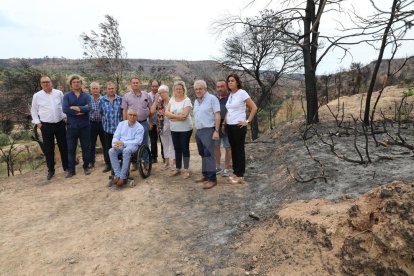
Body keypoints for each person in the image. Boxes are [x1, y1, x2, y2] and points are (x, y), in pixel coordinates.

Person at [31, 75, 68, 180]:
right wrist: (38, 123)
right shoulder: (37, 96)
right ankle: (51, 170)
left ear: (51, 82)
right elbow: (33, 111)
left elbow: (64, 106)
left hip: (60, 124)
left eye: (47, 81)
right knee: (48, 149)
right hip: (46, 125)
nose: (46, 84)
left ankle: (67, 168)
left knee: (63, 147)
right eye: (43, 82)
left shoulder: (59, 93)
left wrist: (65, 117)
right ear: (41, 84)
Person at [224, 73, 257, 184]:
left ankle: (240, 175)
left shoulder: (242, 93)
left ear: (237, 82)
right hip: (230, 126)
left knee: (239, 150)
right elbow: (230, 110)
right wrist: (225, 123)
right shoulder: (230, 95)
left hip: (239, 126)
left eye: (232, 80)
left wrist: (247, 121)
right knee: (233, 149)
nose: (230, 83)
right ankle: (235, 171)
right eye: (228, 81)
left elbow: (254, 107)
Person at [62, 75, 92, 178]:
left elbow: (89, 108)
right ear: (71, 84)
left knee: (86, 148)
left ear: (81, 83)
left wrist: (76, 108)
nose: (76, 83)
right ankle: (71, 170)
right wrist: (80, 111)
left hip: (85, 126)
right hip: (71, 127)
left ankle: (86, 167)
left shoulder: (87, 96)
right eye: (74, 82)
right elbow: (65, 109)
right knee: (71, 149)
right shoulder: (67, 96)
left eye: (78, 82)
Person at [193, 80, 221, 189]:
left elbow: (217, 115)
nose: (198, 91)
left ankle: (212, 179)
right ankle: (205, 175)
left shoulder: (212, 99)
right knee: (202, 153)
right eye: (196, 89)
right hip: (199, 131)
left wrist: (216, 130)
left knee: (209, 154)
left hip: (209, 130)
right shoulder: (196, 101)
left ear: (205, 89)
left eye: (200, 89)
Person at [122, 77, 153, 170]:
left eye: (137, 82)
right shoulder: (126, 96)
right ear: (131, 85)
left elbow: (151, 110)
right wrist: (124, 123)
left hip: (143, 123)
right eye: (133, 83)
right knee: (131, 144)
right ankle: (134, 163)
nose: (135, 84)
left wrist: (150, 122)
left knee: (144, 143)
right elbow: (124, 110)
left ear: (140, 84)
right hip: (131, 124)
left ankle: (146, 162)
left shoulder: (146, 95)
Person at [108, 108, 144, 186]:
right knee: (111, 151)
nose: (132, 116)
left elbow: (138, 141)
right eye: (130, 115)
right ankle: (117, 175)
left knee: (126, 151)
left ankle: (123, 177)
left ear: (137, 117)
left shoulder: (140, 127)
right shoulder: (121, 124)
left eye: (134, 115)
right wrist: (115, 145)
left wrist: (123, 143)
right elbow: (116, 136)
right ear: (127, 115)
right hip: (120, 145)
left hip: (132, 146)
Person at [165, 80, 193, 179]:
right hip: (174, 129)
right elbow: (166, 113)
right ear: (174, 90)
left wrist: (172, 117)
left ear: (183, 90)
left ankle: (186, 169)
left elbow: (184, 116)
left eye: (180, 89)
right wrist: (177, 117)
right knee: (177, 148)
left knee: (184, 148)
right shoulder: (172, 99)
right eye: (176, 89)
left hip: (185, 129)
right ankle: (177, 168)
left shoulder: (187, 100)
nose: (178, 90)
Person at [98, 81, 123, 173]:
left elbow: (122, 112)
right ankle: (108, 164)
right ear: (106, 90)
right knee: (107, 147)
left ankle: (119, 163)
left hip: (118, 129)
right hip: (107, 128)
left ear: (115, 89)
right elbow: (101, 113)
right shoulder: (102, 100)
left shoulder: (120, 99)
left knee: (118, 146)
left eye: (112, 88)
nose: (111, 90)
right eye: (109, 89)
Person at [150, 84, 175, 169]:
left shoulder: (173, 101)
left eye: (162, 93)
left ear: (167, 92)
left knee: (173, 144)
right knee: (164, 144)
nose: (161, 94)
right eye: (159, 93)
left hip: (172, 125)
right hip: (161, 126)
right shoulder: (159, 102)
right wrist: (156, 99)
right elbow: (152, 110)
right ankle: (167, 162)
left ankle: (174, 163)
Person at [214, 80, 232, 177]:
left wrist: (225, 124)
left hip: (228, 125)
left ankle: (226, 168)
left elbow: (231, 111)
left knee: (228, 147)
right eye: (218, 87)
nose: (220, 88)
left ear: (226, 87)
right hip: (215, 125)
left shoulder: (230, 97)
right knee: (216, 146)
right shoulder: (213, 97)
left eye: (222, 86)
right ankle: (218, 167)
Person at [88, 81, 105, 169]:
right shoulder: (88, 99)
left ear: (99, 89)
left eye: (96, 88)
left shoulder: (103, 99)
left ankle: (107, 161)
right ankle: (91, 162)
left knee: (105, 143)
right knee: (91, 144)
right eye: (93, 88)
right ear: (91, 90)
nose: (95, 90)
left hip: (102, 124)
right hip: (91, 124)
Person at [148, 80, 163, 163]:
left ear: (159, 86)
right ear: (151, 86)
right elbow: (149, 110)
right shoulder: (147, 96)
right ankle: (154, 157)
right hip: (152, 121)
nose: (154, 88)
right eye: (153, 86)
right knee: (153, 141)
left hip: (161, 122)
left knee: (162, 140)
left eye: (156, 86)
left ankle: (165, 157)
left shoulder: (162, 95)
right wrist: (149, 122)